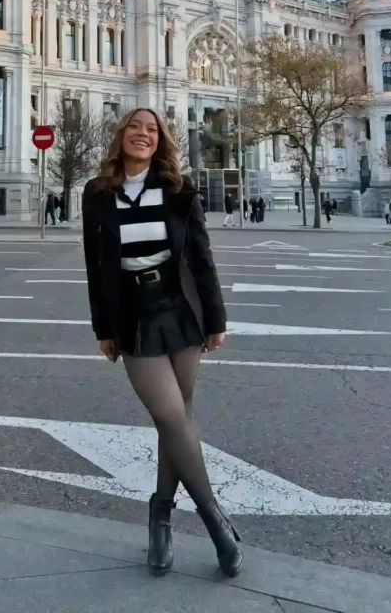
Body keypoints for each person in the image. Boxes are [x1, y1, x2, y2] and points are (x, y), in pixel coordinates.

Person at [82, 109, 242, 578]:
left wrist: (216, 319)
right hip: (133, 314)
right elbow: (95, 267)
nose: (143, 135)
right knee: (171, 417)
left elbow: (203, 259)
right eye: (135, 128)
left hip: (180, 308)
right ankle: (217, 524)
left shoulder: (178, 189)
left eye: (152, 130)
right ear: (121, 136)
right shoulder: (97, 193)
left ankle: (161, 520)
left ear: (161, 141)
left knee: (178, 423)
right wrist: (103, 329)